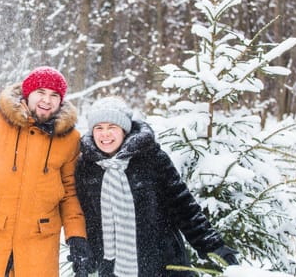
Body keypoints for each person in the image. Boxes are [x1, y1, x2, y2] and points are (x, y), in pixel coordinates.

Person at [0, 66, 94, 277]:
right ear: (27, 94)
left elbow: (70, 193)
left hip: (38, 244)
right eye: (41, 92)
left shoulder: (69, 138)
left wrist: (76, 237)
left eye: (54, 95)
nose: (47, 101)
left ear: (61, 100)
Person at [75, 96, 239, 277]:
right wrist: (86, 254)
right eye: (99, 128)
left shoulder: (151, 158)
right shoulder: (86, 167)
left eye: (112, 127)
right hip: (112, 267)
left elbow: (183, 205)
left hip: (164, 263)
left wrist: (211, 244)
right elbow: (88, 218)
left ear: (124, 130)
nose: (105, 134)